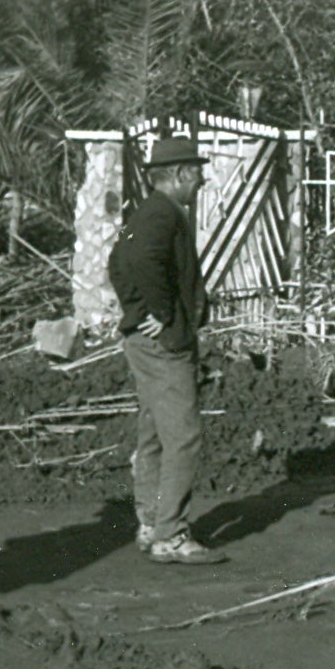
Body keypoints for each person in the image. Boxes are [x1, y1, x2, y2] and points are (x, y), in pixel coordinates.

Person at [109, 135, 228, 565]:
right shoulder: (164, 215)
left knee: (155, 432)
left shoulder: (143, 212)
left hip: (144, 341)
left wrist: (136, 308)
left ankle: (150, 521)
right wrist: (160, 311)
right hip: (163, 345)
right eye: (196, 172)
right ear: (179, 174)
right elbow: (139, 259)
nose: (201, 180)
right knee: (184, 437)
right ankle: (171, 535)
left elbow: (115, 260)